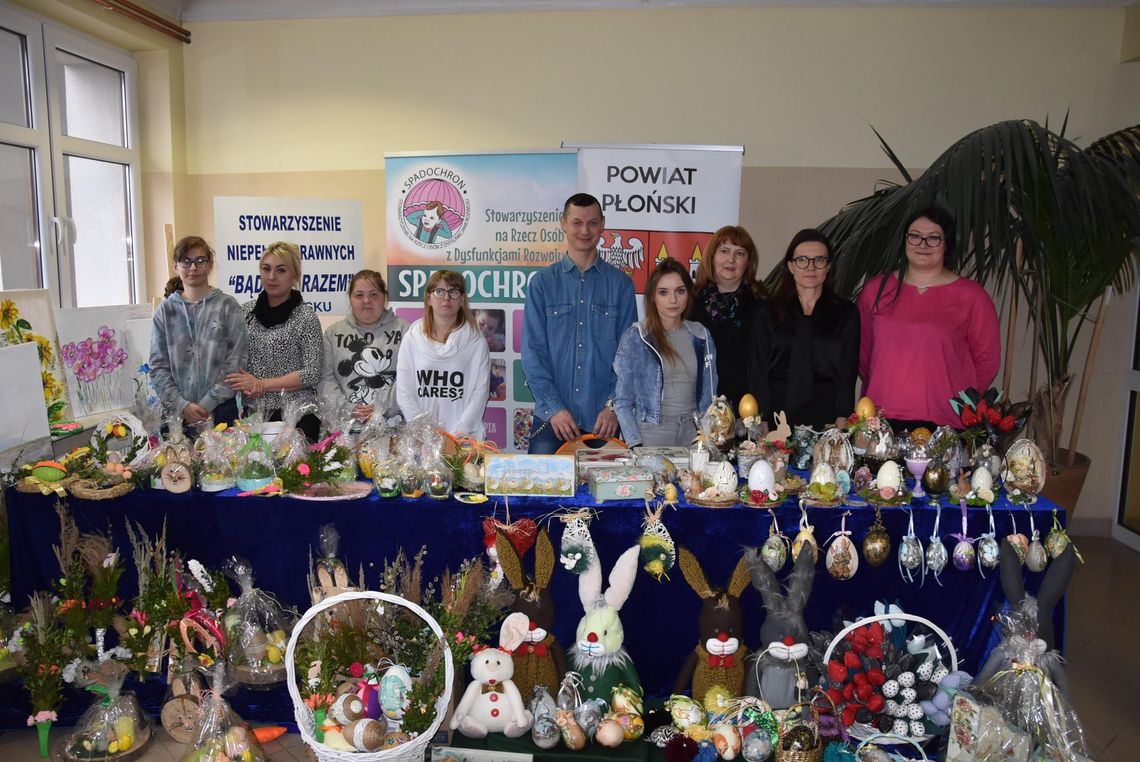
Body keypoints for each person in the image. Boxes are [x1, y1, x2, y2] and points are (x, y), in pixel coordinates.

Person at [857, 206, 1001, 431]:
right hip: (881, 419)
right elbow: (862, 353)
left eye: (933, 238)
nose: (922, 245)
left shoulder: (972, 296)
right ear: (904, 240)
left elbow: (987, 361)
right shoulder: (876, 290)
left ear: (947, 244)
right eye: (914, 236)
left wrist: (962, 402)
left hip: (946, 423)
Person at [522, 193, 637, 453]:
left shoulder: (621, 286)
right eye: (577, 222)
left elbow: (629, 358)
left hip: (604, 422)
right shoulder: (542, 284)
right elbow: (532, 354)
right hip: (552, 420)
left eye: (592, 223)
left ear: (602, 224)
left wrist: (613, 406)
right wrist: (555, 408)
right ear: (563, 224)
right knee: (539, 482)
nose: (585, 231)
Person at [746, 229, 859, 430]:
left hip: (827, 413)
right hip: (776, 414)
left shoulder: (846, 313)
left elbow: (848, 372)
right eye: (802, 260)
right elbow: (758, 370)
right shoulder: (768, 311)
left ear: (829, 266)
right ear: (790, 266)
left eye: (819, 260)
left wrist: (843, 416)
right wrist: (760, 419)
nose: (810, 267)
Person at [225, 241, 324, 441]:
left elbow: (312, 373)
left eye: (281, 270)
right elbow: (231, 359)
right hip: (255, 416)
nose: (271, 277)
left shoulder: (306, 317)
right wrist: (243, 382)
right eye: (266, 269)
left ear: (295, 276)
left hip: (299, 417)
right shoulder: (245, 313)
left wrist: (261, 384)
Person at [613, 259, 717, 447]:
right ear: (652, 296)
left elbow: (709, 395)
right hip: (651, 435)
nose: (673, 300)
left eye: (680, 291)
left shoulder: (701, 335)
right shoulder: (636, 337)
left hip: (694, 435)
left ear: (688, 294)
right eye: (663, 292)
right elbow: (622, 401)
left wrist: (709, 435)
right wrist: (635, 444)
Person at [149, 236, 247, 428]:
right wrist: (182, 405)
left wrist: (206, 404)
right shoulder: (165, 311)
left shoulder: (228, 306)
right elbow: (158, 367)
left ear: (210, 265)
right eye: (185, 261)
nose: (193, 267)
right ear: (175, 266)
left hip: (221, 410)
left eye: (200, 260)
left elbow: (236, 361)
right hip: (176, 415)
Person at [395, 269, 491, 437]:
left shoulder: (476, 341)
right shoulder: (412, 337)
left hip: (464, 438)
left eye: (453, 291)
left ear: (461, 300)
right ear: (429, 298)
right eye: (439, 291)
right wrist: (424, 432)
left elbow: (480, 393)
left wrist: (458, 435)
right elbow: (404, 393)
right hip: (422, 438)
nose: (446, 297)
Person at [689, 225, 767, 410]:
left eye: (740, 253)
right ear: (712, 257)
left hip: (746, 412)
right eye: (724, 251)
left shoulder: (762, 307)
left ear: (748, 262)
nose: (731, 259)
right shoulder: (690, 303)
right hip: (696, 410)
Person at [319, 269, 407, 424]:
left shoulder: (405, 331)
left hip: (393, 425)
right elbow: (325, 379)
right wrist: (349, 408)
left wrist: (382, 407)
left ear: (384, 297)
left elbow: (409, 379)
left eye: (374, 294)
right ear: (350, 298)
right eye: (359, 295)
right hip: (345, 426)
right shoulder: (333, 333)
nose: (366, 300)